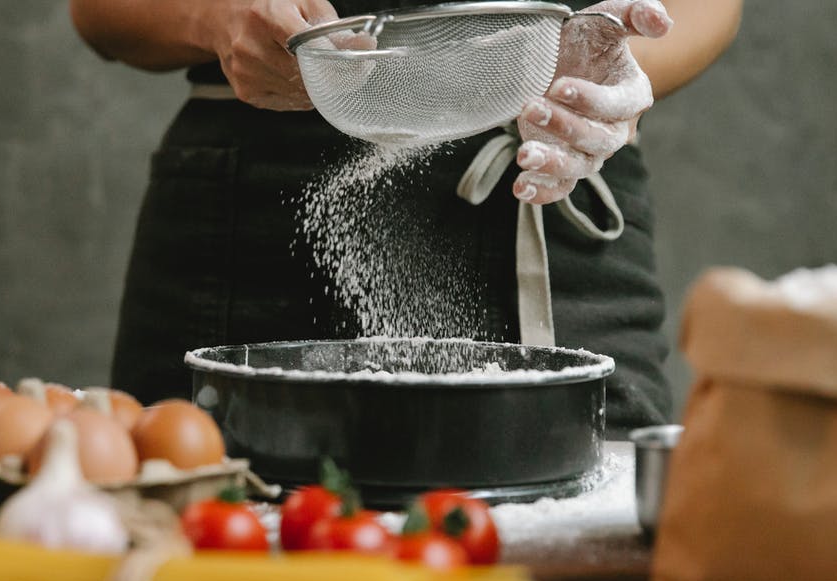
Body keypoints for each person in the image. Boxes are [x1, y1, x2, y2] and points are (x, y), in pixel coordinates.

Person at [69, 0, 742, 435]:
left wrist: (599, 73)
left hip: (555, 188)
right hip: (258, 216)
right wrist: (214, 17)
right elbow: (99, 11)